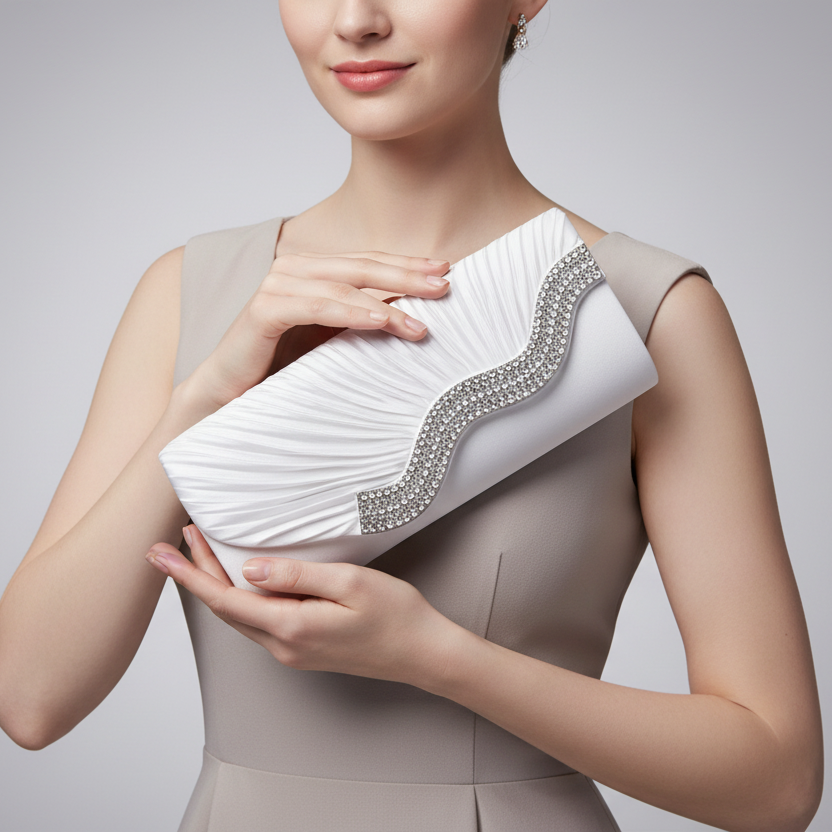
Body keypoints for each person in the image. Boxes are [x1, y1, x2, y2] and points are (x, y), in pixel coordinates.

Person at [0, 2, 823, 830]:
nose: (356, 19)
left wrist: (438, 658)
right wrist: (205, 395)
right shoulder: (190, 292)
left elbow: (778, 783)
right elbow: (29, 701)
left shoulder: (648, 310)